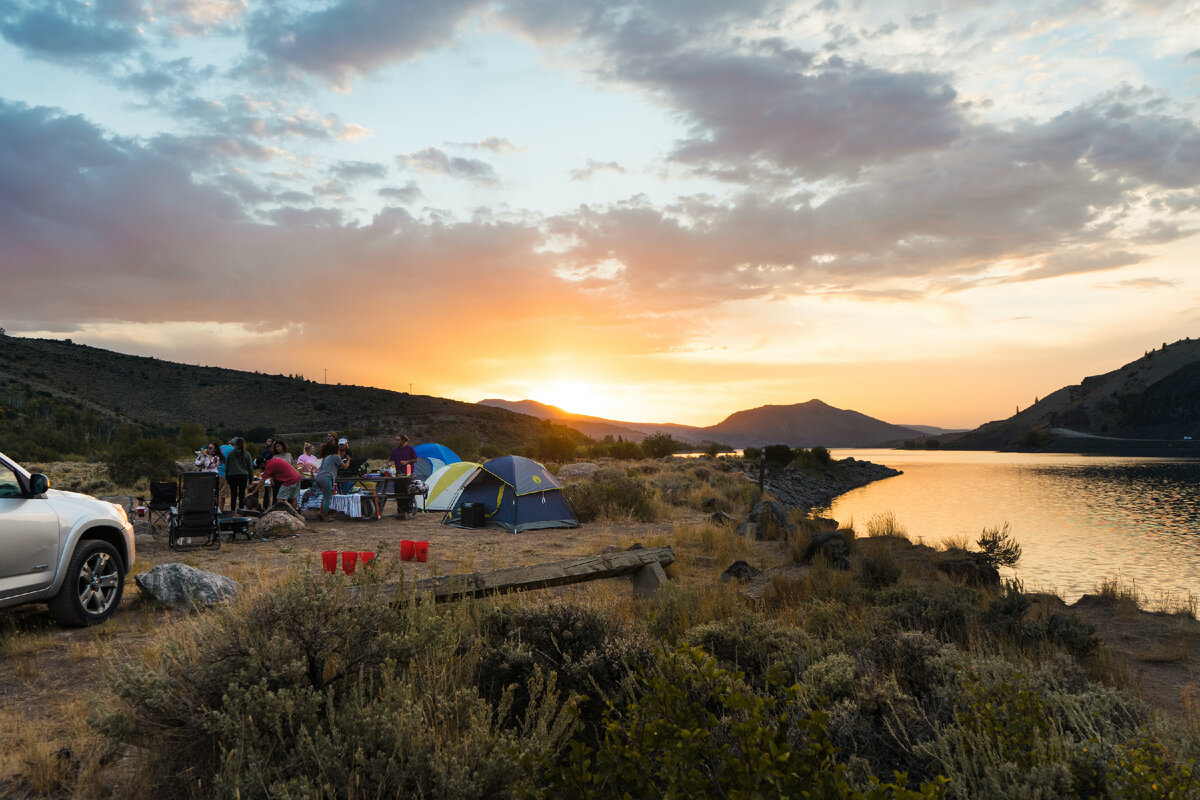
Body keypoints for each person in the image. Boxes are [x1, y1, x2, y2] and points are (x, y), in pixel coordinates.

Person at [385, 434, 419, 517]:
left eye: (398, 440)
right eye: (396, 440)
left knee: (407, 492)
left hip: (407, 474)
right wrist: (393, 468)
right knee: (398, 492)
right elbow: (392, 460)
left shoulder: (410, 449)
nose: (396, 442)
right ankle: (400, 511)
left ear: (403, 441)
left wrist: (407, 462)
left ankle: (408, 509)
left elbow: (415, 459)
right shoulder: (394, 450)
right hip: (397, 474)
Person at [314, 446, 349, 522]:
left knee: (325, 496)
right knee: (327, 497)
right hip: (326, 477)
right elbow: (345, 467)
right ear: (337, 451)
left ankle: (322, 513)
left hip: (318, 477)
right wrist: (348, 460)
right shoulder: (336, 457)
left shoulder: (327, 457)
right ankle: (326, 517)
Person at [224, 437, 255, 513]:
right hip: (243, 476)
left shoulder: (230, 454)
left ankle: (232, 511)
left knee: (233, 494)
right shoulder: (246, 454)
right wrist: (251, 478)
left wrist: (226, 477)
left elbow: (227, 466)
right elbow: (250, 467)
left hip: (232, 476)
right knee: (241, 494)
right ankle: (241, 510)